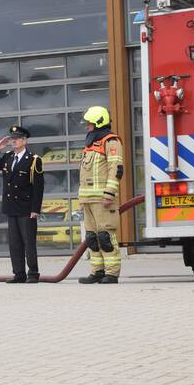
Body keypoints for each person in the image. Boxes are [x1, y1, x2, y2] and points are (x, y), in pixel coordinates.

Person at [0, 125, 44, 283]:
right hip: (11, 207)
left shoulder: (33, 160)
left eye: (16, 138)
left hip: (26, 208)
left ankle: (33, 273)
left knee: (28, 242)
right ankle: (19, 274)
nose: (13, 141)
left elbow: (38, 188)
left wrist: (35, 209)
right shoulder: (8, 156)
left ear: (24, 140)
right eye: (12, 138)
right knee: (15, 243)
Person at [75, 106, 125, 284]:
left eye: (89, 124)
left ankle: (111, 274)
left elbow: (116, 169)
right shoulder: (90, 144)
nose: (87, 127)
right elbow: (84, 173)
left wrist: (109, 193)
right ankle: (97, 271)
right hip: (89, 200)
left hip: (104, 200)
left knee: (105, 237)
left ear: (98, 123)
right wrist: (81, 199)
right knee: (92, 238)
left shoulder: (111, 141)